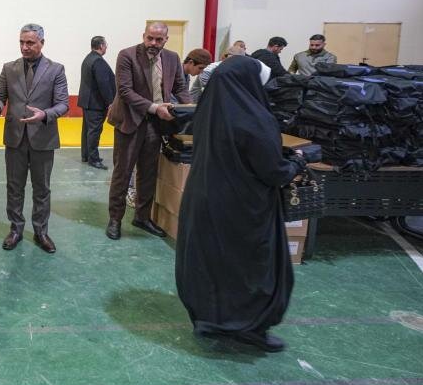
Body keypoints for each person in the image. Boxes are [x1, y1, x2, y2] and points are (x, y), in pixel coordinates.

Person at [175, 55, 306, 352]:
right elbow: (273, 172)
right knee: (248, 268)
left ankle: (210, 319)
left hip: (204, 200)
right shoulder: (255, 120)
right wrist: (297, 163)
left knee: (211, 263)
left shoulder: (208, 112)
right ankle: (249, 326)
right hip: (242, 208)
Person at [105, 22, 190, 240]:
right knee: (123, 172)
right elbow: (125, 91)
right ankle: (115, 219)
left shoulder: (172, 58)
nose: (153, 43)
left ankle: (142, 217)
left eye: (158, 39)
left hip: (155, 124)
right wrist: (155, 108)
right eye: (150, 38)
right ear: (144, 36)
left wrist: (190, 109)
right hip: (129, 122)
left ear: (166, 40)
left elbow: (180, 87)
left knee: (148, 173)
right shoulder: (127, 55)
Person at [0, 24, 69, 254]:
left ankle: (41, 231)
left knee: (42, 188)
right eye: (21, 42)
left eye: (30, 43)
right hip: (15, 137)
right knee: (14, 187)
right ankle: (15, 229)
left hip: (43, 137)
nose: (24, 47)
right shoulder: (9, 68)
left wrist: (45, 114)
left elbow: (63, 104)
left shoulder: (56, 70)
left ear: (42, 43)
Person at [77, 36, 115, 170]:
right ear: (101, 46)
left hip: (88, 102)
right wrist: (110, 102)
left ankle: (86, 155)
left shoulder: (88, 58)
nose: (106, 47)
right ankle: (93, 159)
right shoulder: (98, 61)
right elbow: (103, 84)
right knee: (94, 131)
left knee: (87, 130)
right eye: (106, 45)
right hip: (96, 104)